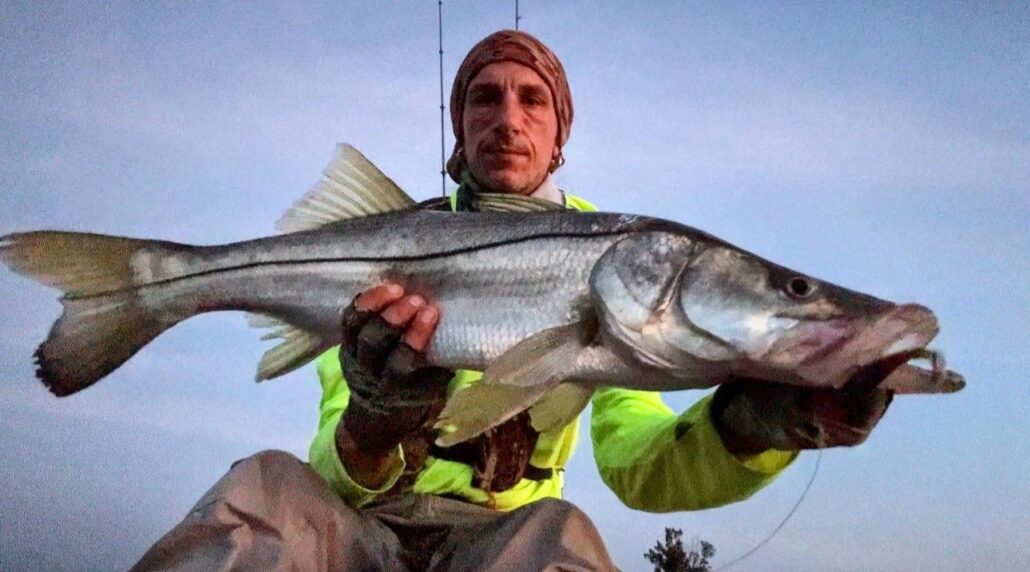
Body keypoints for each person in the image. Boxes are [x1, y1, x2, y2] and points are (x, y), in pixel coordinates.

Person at [133, 30, 892, 571]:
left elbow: (639, 466)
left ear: (559, 136)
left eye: (533, 101)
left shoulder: (626, 270)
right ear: (458, 132)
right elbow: (335, 452)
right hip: (355, 528)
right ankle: (155, 286)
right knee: (261, 488)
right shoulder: (387, 246)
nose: (508, 118)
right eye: (484, 99)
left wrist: (747, 432)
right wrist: (373, 422)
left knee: (561, 534)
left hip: (498, 541)